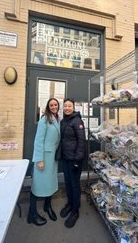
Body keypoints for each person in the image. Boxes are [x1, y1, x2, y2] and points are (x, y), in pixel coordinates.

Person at [27, 98, 60, 226]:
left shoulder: (57, 119)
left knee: (50, 183)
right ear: (48, 106)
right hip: (44, 159)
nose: (53, 107)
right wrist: (39, 159)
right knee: (37, 185)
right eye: (51, 105)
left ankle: (47, 206)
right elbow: (38, 141)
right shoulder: (44, 120)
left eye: (55, 104)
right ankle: (32, 214)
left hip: (52, 158)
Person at [60, 98, 86, 228]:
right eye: (65, 106)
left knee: (75, 185)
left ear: (73, 107)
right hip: (65, 158)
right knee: (68, 183)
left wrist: (77, 160)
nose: (67, 108)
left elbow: (82, 142)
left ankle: (75, 211)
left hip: (75, 160)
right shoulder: (63, 121)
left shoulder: (77, 121)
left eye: (69, 106)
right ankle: (70, 204)